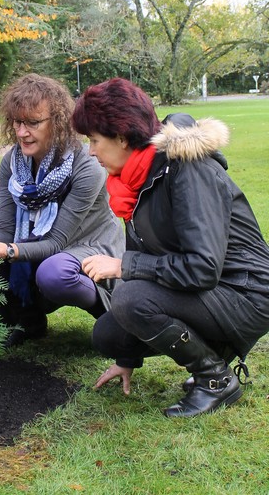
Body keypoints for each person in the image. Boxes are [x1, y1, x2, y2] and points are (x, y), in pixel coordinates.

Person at [71, 77, 269, 418]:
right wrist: (127, 359)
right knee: (109, 334)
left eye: (94, 140)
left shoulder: (186, 169)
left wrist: (123, 266)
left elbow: (203, 268)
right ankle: (214, 354)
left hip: (247, 292)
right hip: (216, 289)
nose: (90, 151)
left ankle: (215, 380)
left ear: (121, 137)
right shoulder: (133, 179)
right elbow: (147, 255)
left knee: (129, 298)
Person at [0, 73, 125, 348]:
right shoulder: (12, 163)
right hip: (39, 240)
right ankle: (25, 320)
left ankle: (111, 315)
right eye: (18, 122)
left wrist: (9, 250)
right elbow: (5, 230)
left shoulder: (86, 166)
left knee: (54, 273)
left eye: (34, 123)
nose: (22, 132)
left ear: (59, 122)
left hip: (88, 243)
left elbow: (57, 242)